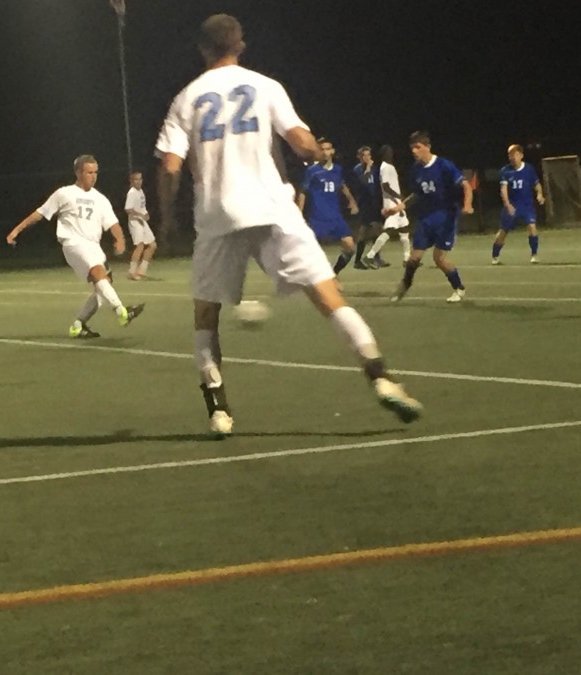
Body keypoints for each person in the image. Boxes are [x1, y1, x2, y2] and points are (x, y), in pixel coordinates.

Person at [156, 13, 422, 436]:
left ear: (203, 50)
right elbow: (301, 142)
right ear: (240, 45)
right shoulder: (266, 86)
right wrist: (316, 152)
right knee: (329, 297)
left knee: (206, 317)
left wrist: (168, 217)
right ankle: (381, 377)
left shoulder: (186, 98)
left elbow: (170, 168)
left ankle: (219, 411)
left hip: (216, 214)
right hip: (272, 207)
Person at [5, 155, 144, 338]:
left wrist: (120, 239)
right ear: (78, 172)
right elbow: (40, 213)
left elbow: (113, 224)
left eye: (95, 172)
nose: (93, 176)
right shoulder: (64, 193)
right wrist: (16, 230)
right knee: (97, 273)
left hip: (94, 246)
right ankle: (121, 312)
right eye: (89, 172)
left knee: (103, 288)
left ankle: (78, 325)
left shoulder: (100, 198)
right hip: (73, 244)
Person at [389, 131, 473, 303]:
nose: (414, 151)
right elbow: (417, 194)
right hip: (426, 219)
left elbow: (466, 185)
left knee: (439, 258)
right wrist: (400, 206)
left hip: (446, 218)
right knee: (414, 258)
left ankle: (459, 288)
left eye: (418, 147)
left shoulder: (444, 165)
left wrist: (468, 204)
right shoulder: (416, 169)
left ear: (428, 147)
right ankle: (405, 284)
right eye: (412, 148)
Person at [296, 138, 361, 277]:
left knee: (350, 247)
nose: (325, 152)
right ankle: (314, 278)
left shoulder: (338, 170)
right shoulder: (312, 171)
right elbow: (302, 192)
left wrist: (352, 201)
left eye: (327, 149)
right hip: (318, 217)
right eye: (322, 149)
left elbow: (342, 185)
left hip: (336, 216)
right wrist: (299, 213)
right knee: (311, 251)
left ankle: (334, 273)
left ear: (332, 151)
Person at [492, 144, 545, 264]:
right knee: (503, 232)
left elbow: (537, 184)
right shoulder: (505, 171)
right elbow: (503, 189)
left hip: (526, 205)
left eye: (514, 154)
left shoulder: (529, 169)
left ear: (521, 155)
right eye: (510, 155)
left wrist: (540, 194)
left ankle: (534, 254)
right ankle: (495, 255)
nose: (512, 158)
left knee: (532, 227)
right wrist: (507, 204)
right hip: (512, 205)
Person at [364, 144, 412, 268]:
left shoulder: (389, 167)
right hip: (392, 202)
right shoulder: (385, 168)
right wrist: (398, 197)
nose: (391, 153)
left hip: (395, 201)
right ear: (384, 154)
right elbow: (385, 186)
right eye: (388, 152)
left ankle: (407, 259)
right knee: (390, 230)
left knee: (404, 229)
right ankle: (370, 255)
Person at [349, 145, 387, 269]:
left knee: (374, 230)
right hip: (364, 204)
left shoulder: (376, 169)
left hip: (374, 203)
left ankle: (373, 258)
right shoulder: (357, 169)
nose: (367, 157)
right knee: (368, 231)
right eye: (364, 155)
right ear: (359, 157)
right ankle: (363, 259)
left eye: (369, 155)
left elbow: (379, 185)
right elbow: (364, 181)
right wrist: (369, 167)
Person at [125, 170, 157, 280]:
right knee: (140, 245)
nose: (139, 181)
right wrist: (140, 215)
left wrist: (145, 213)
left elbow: (141, 207)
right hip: (135, 222)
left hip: (142, 221)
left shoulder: (140, 191)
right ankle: (132, 271)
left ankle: (141, 271)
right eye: (136, 179)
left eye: (140, 179)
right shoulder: (132, 193)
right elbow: (128, 209)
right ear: (132, 181)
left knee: (152, 245)